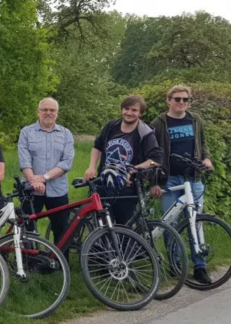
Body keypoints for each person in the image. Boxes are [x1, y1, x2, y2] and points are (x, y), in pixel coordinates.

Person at [149, 85, 213, 284]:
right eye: (177, 99)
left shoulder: (195, 120)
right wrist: (153, 182)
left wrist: (207, 158)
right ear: (168, 100)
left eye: (186, 100)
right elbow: (151, 153)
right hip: (169, 180)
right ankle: (176, 265)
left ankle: (200, 266)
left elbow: (202, 142)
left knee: (196, 222)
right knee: (171, 224)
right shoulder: (159, 123)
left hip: (192, 179)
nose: (181, 103)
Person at [84, 95, 163, 226]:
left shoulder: (145, 132)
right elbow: (97, 147)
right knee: (101, 227)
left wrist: (132, 170)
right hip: (103, 183)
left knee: (124, 228)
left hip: (127, 189)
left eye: (134, 110)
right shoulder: (111, 126)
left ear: (140, 113)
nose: (129, 113)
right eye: (126, 109)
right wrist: (92, 166)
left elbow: (156, 159)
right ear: (122, 109)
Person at [18, 98, 75, 248]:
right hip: (31, 191)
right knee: (27, 228)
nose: (48, 113)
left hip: (58, 190)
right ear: (38, 112)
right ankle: (29, 263)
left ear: (57, 113)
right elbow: (25, 161)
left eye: (52, 110)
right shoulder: (26, 132)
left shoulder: (66, 134)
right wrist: (33, 181)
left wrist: (44, 178)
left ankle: (60, 263)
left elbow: (66, 163)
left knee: (61, 229)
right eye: (45, 110)